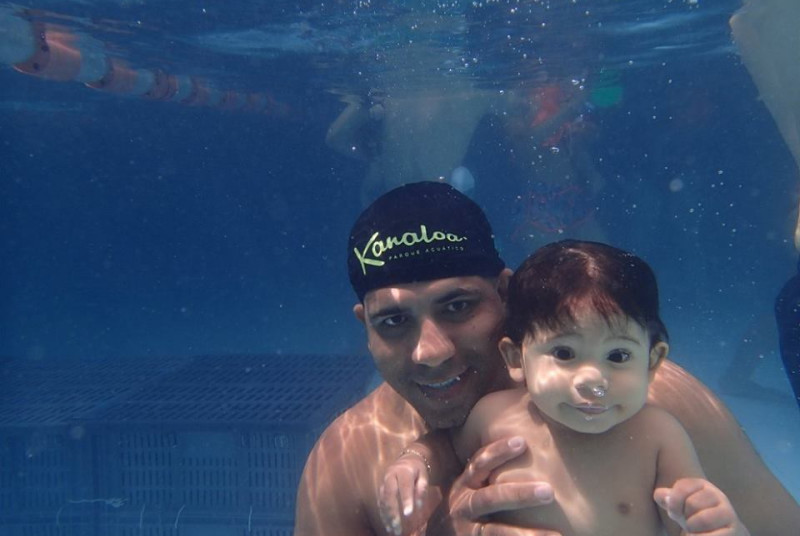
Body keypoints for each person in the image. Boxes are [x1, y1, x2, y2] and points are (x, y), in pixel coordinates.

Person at [293, 181, 800, 536]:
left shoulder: (654, 406)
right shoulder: (347, 460)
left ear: (506, 293)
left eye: (458, 305)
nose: (431, 352)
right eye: (393, 321)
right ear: (365, 326)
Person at [379, 240, 748, 536]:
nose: (592, 379)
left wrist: (718, 527)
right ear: (515, 358)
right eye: (565, 353)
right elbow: (446, 448)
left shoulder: (658, 437)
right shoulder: (493, 417)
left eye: (618, 356)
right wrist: (415, 460)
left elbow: (687, 519)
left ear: (652, 361)